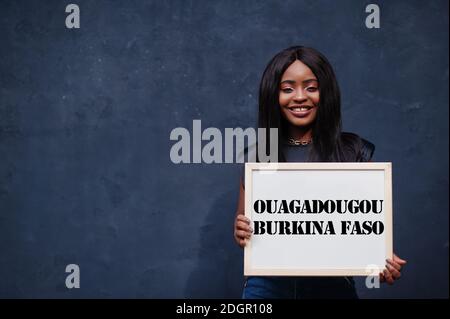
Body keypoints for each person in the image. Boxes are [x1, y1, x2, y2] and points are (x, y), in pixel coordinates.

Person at [233, 46, 407, 299]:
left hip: (332, 287)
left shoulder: (352, 150)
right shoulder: (259, 155)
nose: (300, 96)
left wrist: (380, 255)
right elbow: (242, 222)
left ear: (326, 94)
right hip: (267, 286)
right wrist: (240, 230)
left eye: (311, 88)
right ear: (273, 95)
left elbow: (365, 224)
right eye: (288, 88)